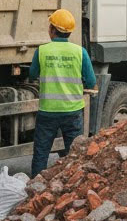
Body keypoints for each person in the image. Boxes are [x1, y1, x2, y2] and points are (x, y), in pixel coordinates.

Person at [28, 9, 98, 176]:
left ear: (52, 29)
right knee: (75, 155)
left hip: (48, 112)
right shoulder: (80, 52)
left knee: (41, 154)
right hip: (72, 111)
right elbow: (91, 81)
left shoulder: (42, 51)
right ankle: (72, 186)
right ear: (69, 32)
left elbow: (32, 75)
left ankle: (36, 187)